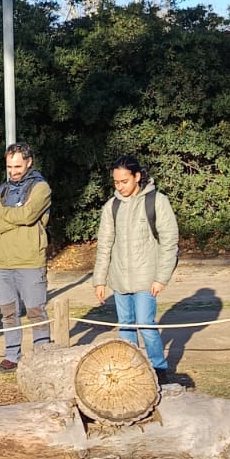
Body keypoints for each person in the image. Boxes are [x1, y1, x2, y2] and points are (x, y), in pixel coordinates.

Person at [92, 154, 180, 383]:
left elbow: (169, 242)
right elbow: (104, 245)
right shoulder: (111, 206)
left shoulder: (157, 201)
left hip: (146, 279)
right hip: (119, 279)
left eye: (124, 181)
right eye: (116, 182)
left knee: (145, 324)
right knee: (125, 327)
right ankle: (131, 368)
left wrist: (161, 278)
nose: (120, 187)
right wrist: (99, 280)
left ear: (137, 177)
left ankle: (158, 369)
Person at [0, 142, 52, 372]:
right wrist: (18, 213)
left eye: (17, 166)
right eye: (9, 167)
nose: (13, 171)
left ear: (28, 162)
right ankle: (11, 356)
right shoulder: (1, 190)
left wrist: (7, 215)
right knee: (8, 313)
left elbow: (29, 216)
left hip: (30, 261)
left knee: (36, 312)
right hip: (3, 263)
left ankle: (43, 356)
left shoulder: (41, 188)